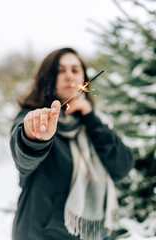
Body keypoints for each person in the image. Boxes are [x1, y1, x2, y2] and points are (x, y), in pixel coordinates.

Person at [10, 47, 134, 240]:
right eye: (60, 70)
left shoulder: (90, 123)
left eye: (75, 70)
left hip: (93, 234)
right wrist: (35, 138)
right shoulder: (34, 118)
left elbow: (122, 166)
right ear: (47, 77)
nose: (69, 76)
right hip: (41, 234)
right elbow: (23, 159)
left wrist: (91, 119)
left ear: (85, 78)